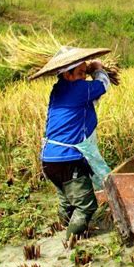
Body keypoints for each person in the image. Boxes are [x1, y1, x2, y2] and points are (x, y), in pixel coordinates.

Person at [36, 47, 112, 238]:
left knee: (67, 202)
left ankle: (59, 233)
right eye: (80, 73)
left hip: (49, 159)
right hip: (67, 159)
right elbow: (103, 85)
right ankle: (71, 244)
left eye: (85, 73)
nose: (84, 77)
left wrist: (89, 71)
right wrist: (97, 68)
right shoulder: (77, 89)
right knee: (87, 205)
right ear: (67, 74)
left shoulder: (58, 89)